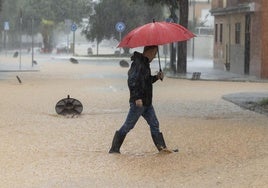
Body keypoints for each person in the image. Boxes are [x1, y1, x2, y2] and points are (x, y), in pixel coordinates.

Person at [109, 45, 171, 154]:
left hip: (147, 103)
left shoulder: (145, 64)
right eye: (155, 53)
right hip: (139, 103)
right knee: (128, 125)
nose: (155, 56)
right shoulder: (138, 64)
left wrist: (156, 77)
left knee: (154, 124)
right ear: (150, 52)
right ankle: (114, 149)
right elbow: (132, 81)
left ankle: (162, 149)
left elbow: (145, 82)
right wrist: (136, 98)